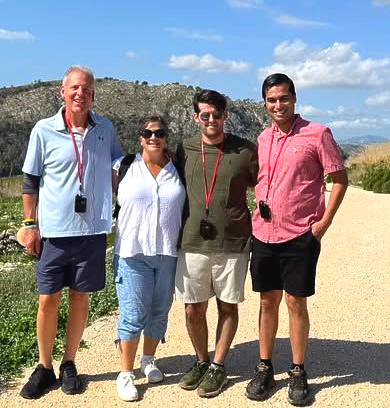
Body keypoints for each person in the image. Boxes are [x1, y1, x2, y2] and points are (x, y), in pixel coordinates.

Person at [19, 65, 122, 399]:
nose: (81, 93)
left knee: (80, 298)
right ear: (62, 91)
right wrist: (29, 225)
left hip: (92, 232)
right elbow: (30, 181)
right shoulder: (43, 130)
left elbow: (119, 166)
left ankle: (69, 362)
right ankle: (44, 365)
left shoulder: (105, 128)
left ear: (93, 95)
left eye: (88, 89)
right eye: (75, 87)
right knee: (48, 299)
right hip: (54, 232)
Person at [245, 73, 348, 406]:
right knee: (266, 301)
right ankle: (264, 367)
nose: (278, 105)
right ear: (265, 103)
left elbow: (340, 178)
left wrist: (323, 224)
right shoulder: (262, 138)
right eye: (272, 100)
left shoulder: (318, 134)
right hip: (263, 233)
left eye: (284, 98)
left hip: (299, 234)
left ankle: (298, 370)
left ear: (294, 98)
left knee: (295, 303)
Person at [175, 89, 258, 398]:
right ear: (196, 117)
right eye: (205, 115)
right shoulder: (184, 150)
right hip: (193, 241)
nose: (211, 120)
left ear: (226, 116)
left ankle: (218, 365)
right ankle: (200, 360)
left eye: (217, 114)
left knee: (227, 305)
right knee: (193, 309)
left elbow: (263, 184)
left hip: (233, 241)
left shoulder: (245, 151)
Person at [113, 115, 186, 402]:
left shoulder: (177, 169)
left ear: (166, 137)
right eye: (147, 133)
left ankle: (148, 360)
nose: (153, 137)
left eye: (159, 132)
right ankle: (125, 373)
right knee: (133, 314)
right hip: (132, 253)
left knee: (158, 311)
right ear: (140, 137)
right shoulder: (123, 167)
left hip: (167, 252)